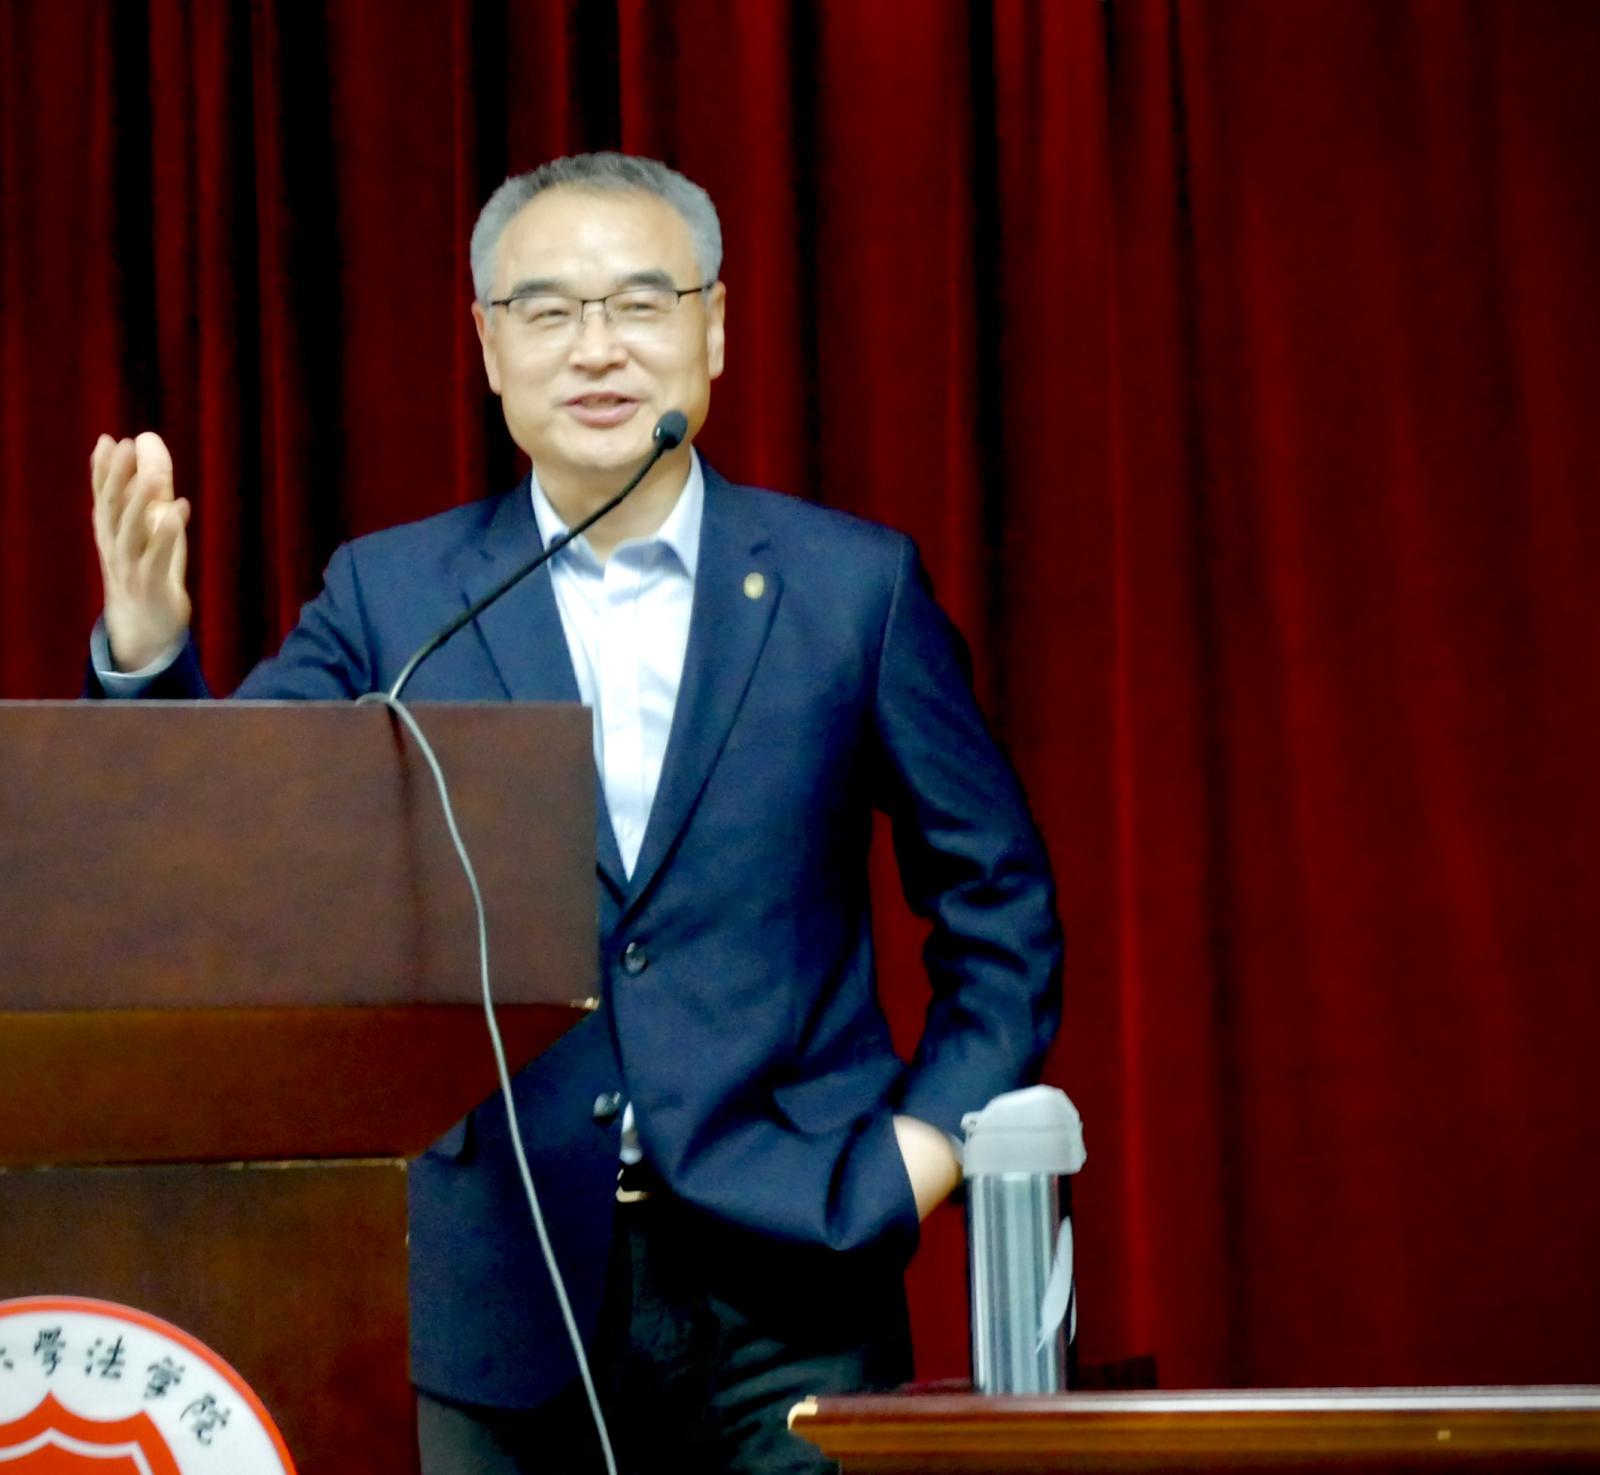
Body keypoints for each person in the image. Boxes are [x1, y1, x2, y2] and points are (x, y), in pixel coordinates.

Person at [86, 152, 1062, 1474]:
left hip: (792, 1284)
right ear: (490, 348)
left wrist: (924, 1147)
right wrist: (148, 656)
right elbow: (216, 843)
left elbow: (1001, 904)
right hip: (497, 1292)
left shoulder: (850, 587)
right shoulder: (395, 594)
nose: (597, 349)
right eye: (547, 311)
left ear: (714, 328)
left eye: (641, 303)